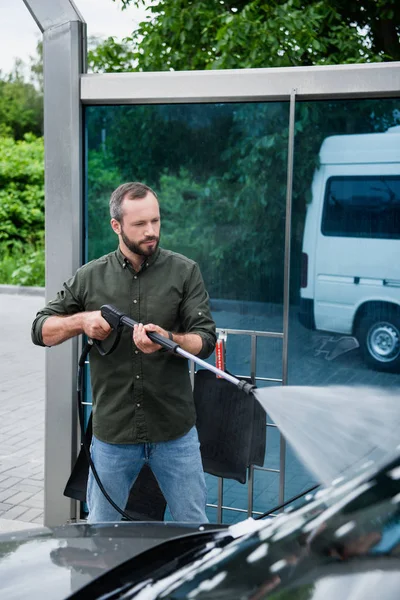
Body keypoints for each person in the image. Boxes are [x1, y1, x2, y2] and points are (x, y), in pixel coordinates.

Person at [31, 182, 217, 523]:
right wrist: (82, 321)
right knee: (100, 529)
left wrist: (170, 340)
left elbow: (205, 339)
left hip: (175, 432)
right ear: (116, 226)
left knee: (193, 526)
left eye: (156, 221)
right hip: (112, 435)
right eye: (140, 224)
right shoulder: (89, 277)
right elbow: (40, 330)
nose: (151, 231)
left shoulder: (185, 271)